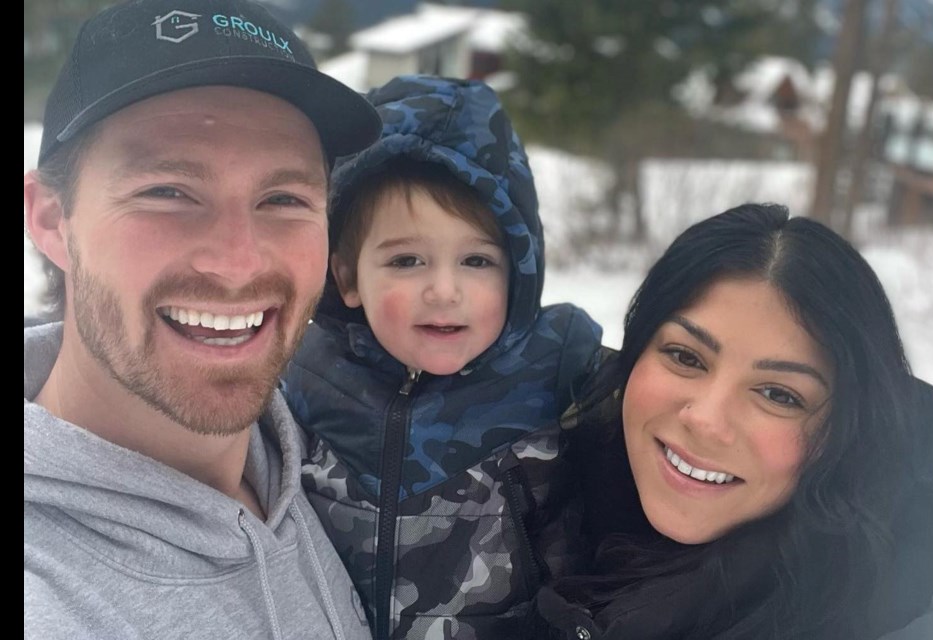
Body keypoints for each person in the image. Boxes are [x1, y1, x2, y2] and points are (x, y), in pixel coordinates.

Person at [23, 1, 382, 638]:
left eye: (283, 198)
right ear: (51, 219)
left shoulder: (323, 467)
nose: (237, 262)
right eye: (167, 191)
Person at [281, 75, 603, 639]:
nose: (444, 290)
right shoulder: (303, 376)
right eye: (407, 261)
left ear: (519, 271)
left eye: (477, 261)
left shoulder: (563, 375)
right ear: (348, 277)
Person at [532, 204, 933, 640]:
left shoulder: (874, 616)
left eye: (779, 395)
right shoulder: (532, 483)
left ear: (846, 431)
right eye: (686, 357)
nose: (706, 420)